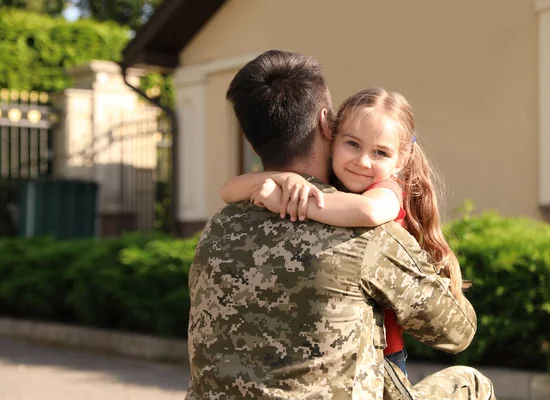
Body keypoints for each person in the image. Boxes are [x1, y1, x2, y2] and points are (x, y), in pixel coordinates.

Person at [186, 49, 495, 399]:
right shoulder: (363, 234)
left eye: (380, 152)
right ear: (326, 122)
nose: (364, 160)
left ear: (250, 138)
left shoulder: (218, 227)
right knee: (471, 385)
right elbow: (458, 330)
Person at [221, 87, 468, 377]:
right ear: (332, 139)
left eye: (380, 152)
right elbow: (228, 190)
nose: (363, 161)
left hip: (382, 358)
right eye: (352, 144)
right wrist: (284, 178)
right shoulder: (330, 183)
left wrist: (298, 204)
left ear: (401, 160)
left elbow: (368, 212)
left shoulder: (387, 190)